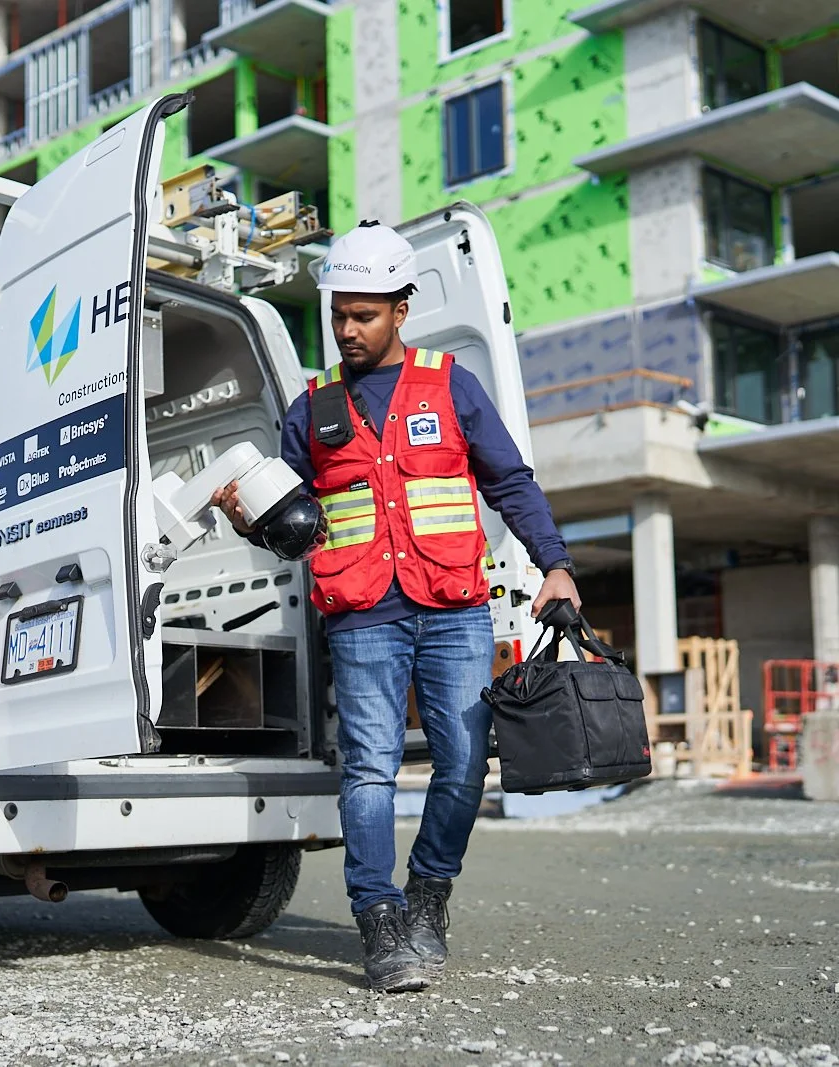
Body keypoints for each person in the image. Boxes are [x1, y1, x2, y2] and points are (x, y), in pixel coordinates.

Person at [212, 222, 580, 993]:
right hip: (362, 612)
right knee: (371, 770)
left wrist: (556, 566)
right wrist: (249, 518)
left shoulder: (450, 386)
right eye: (339, 313)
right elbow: (291, 522)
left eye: (365, 314)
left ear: (401, 309)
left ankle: (429, 892)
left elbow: (511, 481)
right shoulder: (312, 408)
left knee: (462, 765)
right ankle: (378, 916)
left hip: (453, 605)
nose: (348, 329)